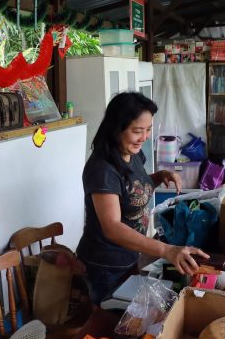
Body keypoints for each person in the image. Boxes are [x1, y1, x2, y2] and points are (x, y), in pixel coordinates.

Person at [77, 92, 209, 305]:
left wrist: (158, 177)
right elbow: (112, 226)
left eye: (148, 130)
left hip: (130, 257)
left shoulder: (132, 153)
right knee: (108, 323)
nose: (145, 137)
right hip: (105, 265)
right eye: (137, 131)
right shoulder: (102, 169)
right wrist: (166, 250)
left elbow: (132, 188)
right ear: (116, 128)